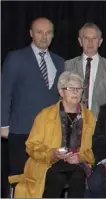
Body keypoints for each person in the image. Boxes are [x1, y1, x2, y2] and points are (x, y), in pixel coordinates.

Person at [9, 71, 95, 198]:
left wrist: (80, 157)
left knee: (79, 174)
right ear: (61, 92)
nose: (76, 92)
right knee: (57, 177)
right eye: (71, 88)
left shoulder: (89, 117)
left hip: (76, 164)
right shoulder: (45, 115)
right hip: (47, 163)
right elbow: (31, 146)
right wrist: (53, 153)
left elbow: (94, 149)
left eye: (78, 89)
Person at [2, 17, 65, 178]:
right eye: (39, 32)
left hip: (49, 136)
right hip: (21, 131)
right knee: (22, 181)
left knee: (47, 182)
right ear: (31, 34)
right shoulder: (15, 58)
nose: (44, 37)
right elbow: (4, 92)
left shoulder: (59, 62)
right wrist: (3, 124)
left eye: (48, 32)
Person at [64, 22, 106, 117]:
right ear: (80, 41)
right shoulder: (68, 65)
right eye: (86, 38)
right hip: (74, 121)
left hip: (100, 122)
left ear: (100, 42)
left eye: (94, 38)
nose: (90, 42)